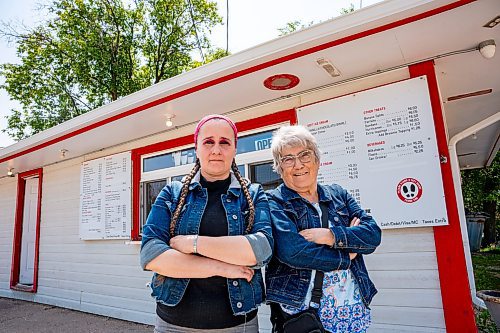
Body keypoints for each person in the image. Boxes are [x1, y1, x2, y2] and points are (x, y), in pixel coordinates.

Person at [140, 115, 273, 332]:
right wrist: (221, 268)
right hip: (173, 324)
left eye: (224, 142)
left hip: (238, 324)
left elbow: (261, 249)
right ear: (196, 148)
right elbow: (151, 255)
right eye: (208, 141)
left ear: (235, 150)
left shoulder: (254, 194)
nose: (216, 150)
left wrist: (194, 243)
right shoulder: (172, 194)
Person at [266, 125, 381, 333]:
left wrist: (330, 235)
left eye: (304, 155)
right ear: (279, 167)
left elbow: (372, 234)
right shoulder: (275, 201)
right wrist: (347, 256)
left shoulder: (338, 194)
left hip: (353, 310)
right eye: (288, 159)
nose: (298, 164)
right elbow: (292, 250)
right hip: (302, 314)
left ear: (317, 160)